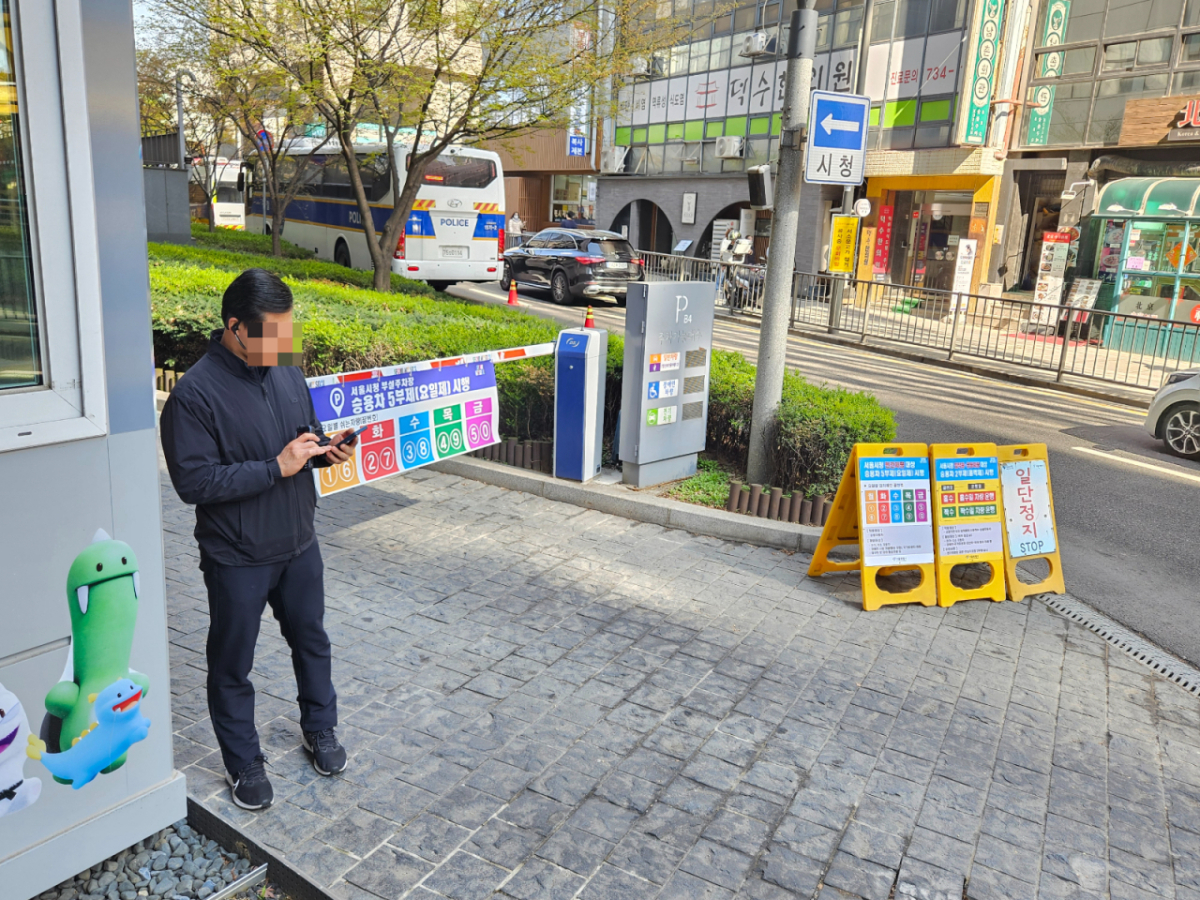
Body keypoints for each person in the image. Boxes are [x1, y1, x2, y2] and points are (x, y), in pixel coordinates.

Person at [160, 268, 359, 811]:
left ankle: (320, 729)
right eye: (273, 333)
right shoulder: (194, 395)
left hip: (298, 541)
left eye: (288, 331)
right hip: (237, 556)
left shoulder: (286, 368)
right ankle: (243, 761)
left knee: (312, 642)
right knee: (232, 664)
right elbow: (193, 483)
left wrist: (324, 451)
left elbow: (304, 436)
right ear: (235, 328)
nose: (284, 344)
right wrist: (276, 467)